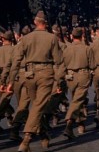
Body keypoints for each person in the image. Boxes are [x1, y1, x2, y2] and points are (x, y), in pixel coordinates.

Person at [7, 11, 64, 151]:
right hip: (46, 74)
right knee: (39, 107)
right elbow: (59, 62)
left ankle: (44, 135)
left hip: (29, 75)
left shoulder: (26, 39)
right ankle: (26, 139)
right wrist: (59, 81)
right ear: (46, 23)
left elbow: (16, 61)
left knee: (37, 106)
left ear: (35, 22)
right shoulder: (52, 38)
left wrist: (11, 81)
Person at [61, 27, 94, 139]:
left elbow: (63, 65)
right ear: (82, 36)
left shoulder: (66, 49)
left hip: (70, 77)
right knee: (78, 101)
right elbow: (93, 65)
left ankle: (80, 123)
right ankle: (69, 123)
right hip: (83, 75)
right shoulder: (87, 48)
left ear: (72, 36)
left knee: (76, 99)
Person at [0, 30, 16, 133]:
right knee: (5, 100)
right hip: (9, 77)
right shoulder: (15, 50)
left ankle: (9, 116)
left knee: (4, 98)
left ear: (3, 39)